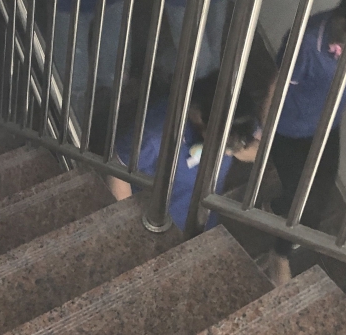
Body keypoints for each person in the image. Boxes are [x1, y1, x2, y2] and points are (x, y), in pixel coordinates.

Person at [266, 0, 346, 283]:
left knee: (320, 190)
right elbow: (275, 87)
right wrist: (265, 133)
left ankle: (278, 210)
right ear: (344, 26)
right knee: (305, 197)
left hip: (327, 126)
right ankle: (279, 256)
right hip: (289, 129)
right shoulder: (306, 42)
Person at [108, 63, 267, 231]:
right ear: (198, 115)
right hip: (161, 220)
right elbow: (119, 169)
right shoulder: (156, 134)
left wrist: (236, 146)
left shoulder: (235, 117)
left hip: (204, 215)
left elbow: (259, 150)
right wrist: (128, 224)